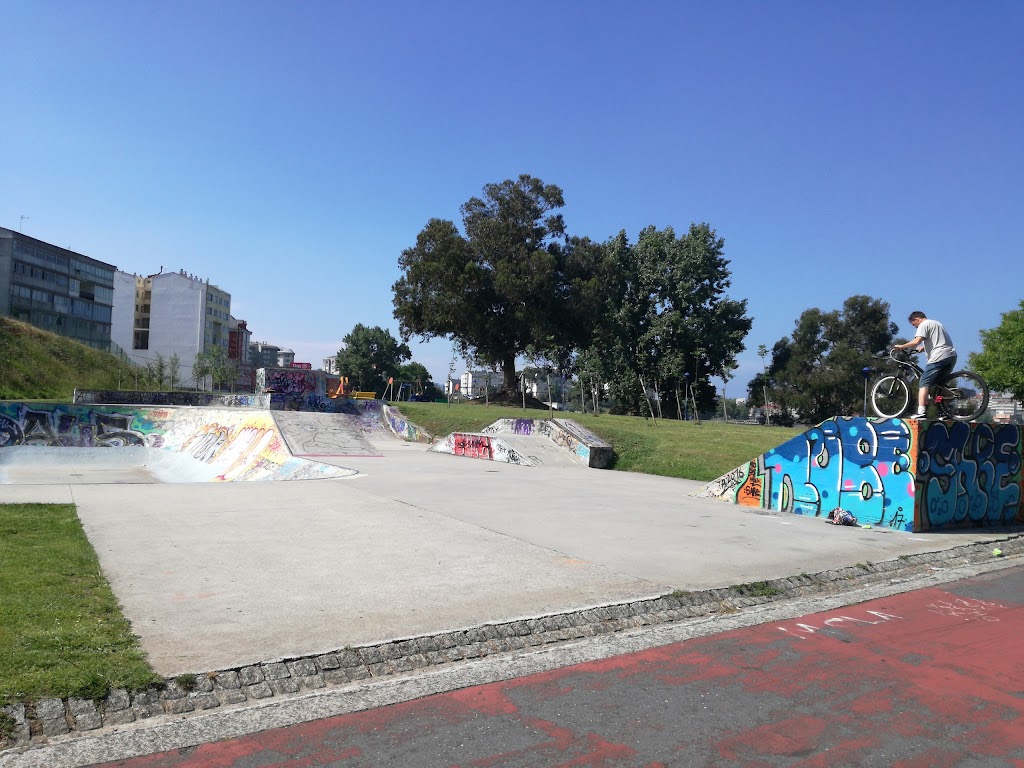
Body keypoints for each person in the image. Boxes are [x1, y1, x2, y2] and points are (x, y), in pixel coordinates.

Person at [892, 311, 956, 420]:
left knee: (923, 382)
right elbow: (938, 341)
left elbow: (916, 341)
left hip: (939, 356)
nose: (916, 328)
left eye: (914, 325)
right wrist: (922, 348)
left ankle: (921, 412)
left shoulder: (923, 324)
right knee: (940, 385)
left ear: (916, 319)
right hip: (951, 356)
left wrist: (901, 346)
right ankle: (945, 412)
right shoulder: (937, 323)